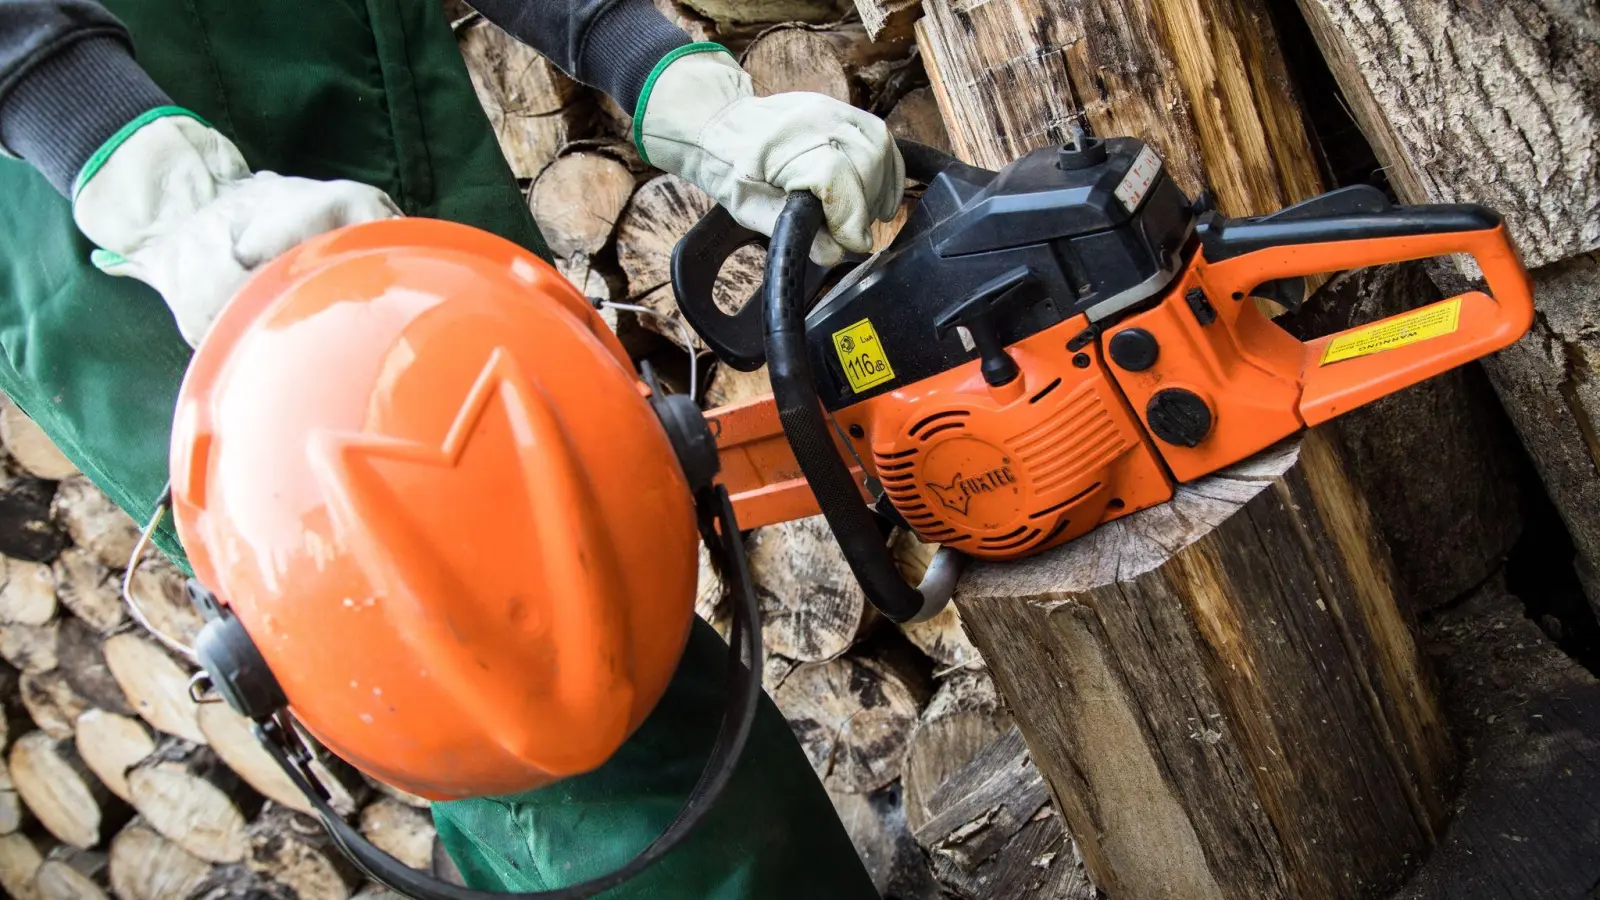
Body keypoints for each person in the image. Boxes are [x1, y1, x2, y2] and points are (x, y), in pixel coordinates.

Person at [0, 1, 902, 896]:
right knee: (527, 701)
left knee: (599, 637)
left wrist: (660, 72)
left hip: (346, 65)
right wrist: (141, 173)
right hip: (96, 202)